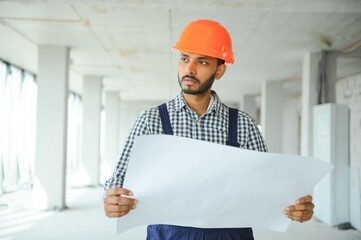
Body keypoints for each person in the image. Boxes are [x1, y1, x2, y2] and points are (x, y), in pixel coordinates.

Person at [103, 19, 314, 240]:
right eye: (185, 59)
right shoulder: (150, 120)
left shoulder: (243, 125)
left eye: (202, 62)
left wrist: (296, 206)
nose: (189, 69)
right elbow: (118, 182)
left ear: (220, 70)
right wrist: (111, 200)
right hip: (168, 234)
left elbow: (272, 189)